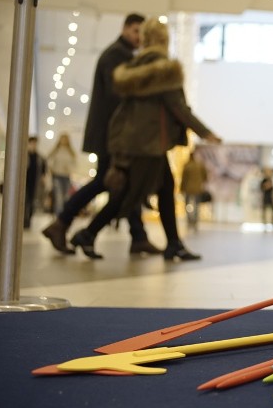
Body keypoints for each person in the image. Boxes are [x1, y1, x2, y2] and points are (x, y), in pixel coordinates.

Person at [68, 18, 221, 261]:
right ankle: (87, 234)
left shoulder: (133, 67)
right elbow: (178, 107)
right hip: (150, 144)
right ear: (164, 40)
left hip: (133, 142)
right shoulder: (164, 69)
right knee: (128, 197)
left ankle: (173, 243)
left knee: (161, 190)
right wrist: (206, 132)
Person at [41, 13, 161, 256]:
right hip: (111, 135)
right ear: (125, 28)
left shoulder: (120, 54)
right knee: (107, 182)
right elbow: (121, 96)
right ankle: (61, 223)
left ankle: (137, 236)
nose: (139, 37)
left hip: (112, 133)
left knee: (125, 183)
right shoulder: (118, 55)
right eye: (136, 31)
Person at [46, 132, 77, 215]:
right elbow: (49, 161)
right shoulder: (56, 151)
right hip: (57, 176)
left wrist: (68, 169)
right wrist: (52, 169)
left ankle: (64, 214)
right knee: (59, 196)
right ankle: (59, 215)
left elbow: (74, 164)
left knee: (66, 197)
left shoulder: (71, 153)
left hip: (66, 176)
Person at [180, 152, 208, 231]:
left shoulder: (187, 166)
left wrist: (181, 188)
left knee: (188, 205)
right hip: (197, 188)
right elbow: (205, 177)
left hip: (188, 188)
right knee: (196, 206)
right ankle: (195, 221)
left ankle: (190, 220)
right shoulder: (199, 166)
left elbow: (184, 179)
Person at [24, 136, 46, 229]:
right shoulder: (25, 155)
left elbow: (43, 171)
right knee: (24, 201)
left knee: (32, 201)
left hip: (34, 183)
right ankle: (24, 219)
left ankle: (28, 220)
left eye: (35, 143)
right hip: (25, 182)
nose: (33, 145)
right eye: (32, 143)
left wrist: (43, 179)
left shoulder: (39, 158)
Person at [259, 167, 273, 231]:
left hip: (271, 199)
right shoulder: (264, 180)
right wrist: (267, 185)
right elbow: (262, 188)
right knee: (264, 212)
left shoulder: (271, 180)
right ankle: (264, 224)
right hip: (265, 198)